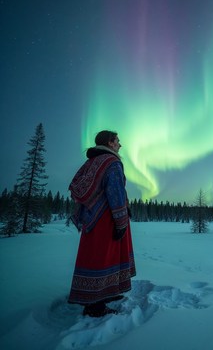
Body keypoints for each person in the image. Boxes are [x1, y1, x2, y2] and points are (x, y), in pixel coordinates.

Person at [68, 130, 136, 317]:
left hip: (92, 218)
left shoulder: (92, 162)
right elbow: (115, 192)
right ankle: (95, 306)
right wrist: (121, 220)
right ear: (109, 142)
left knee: (96, 256)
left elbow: (77, 187)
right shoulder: (112, 163)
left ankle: (105, 293)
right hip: (107, 218)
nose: (120, 145)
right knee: (105, 257)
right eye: (117, 141)